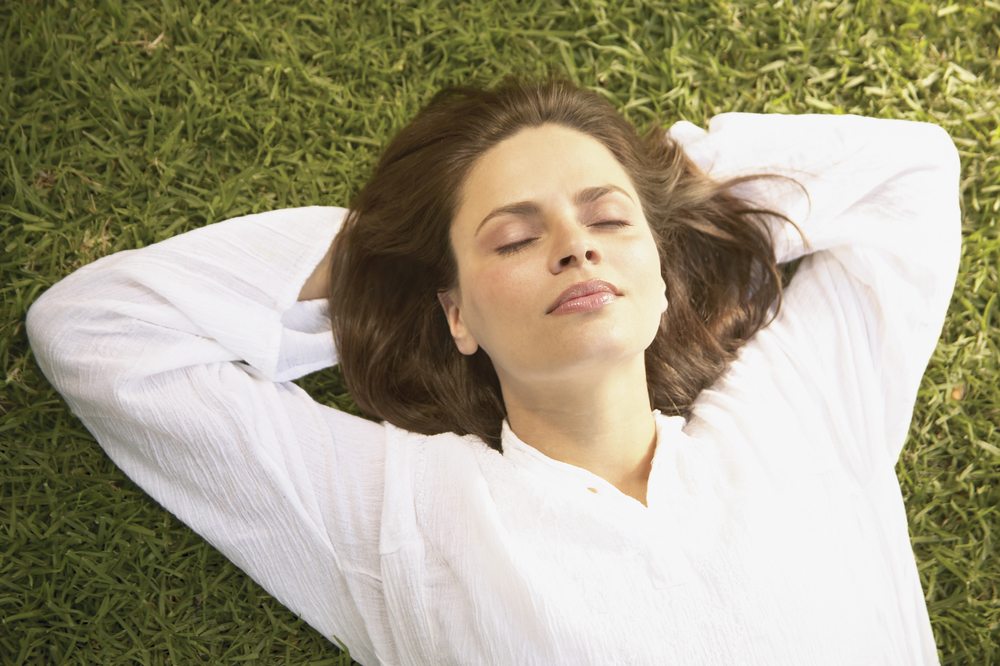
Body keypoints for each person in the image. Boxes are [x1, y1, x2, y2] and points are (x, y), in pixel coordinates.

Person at [25, 76, 961, 665]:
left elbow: (912, 173)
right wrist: (380, 258)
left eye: (607, 222)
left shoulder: (800, 411)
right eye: (515, 237)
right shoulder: (404, 513)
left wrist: (668, 184)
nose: (574, 247)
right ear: (458, 313)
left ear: (662, 281)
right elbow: (100, 332)